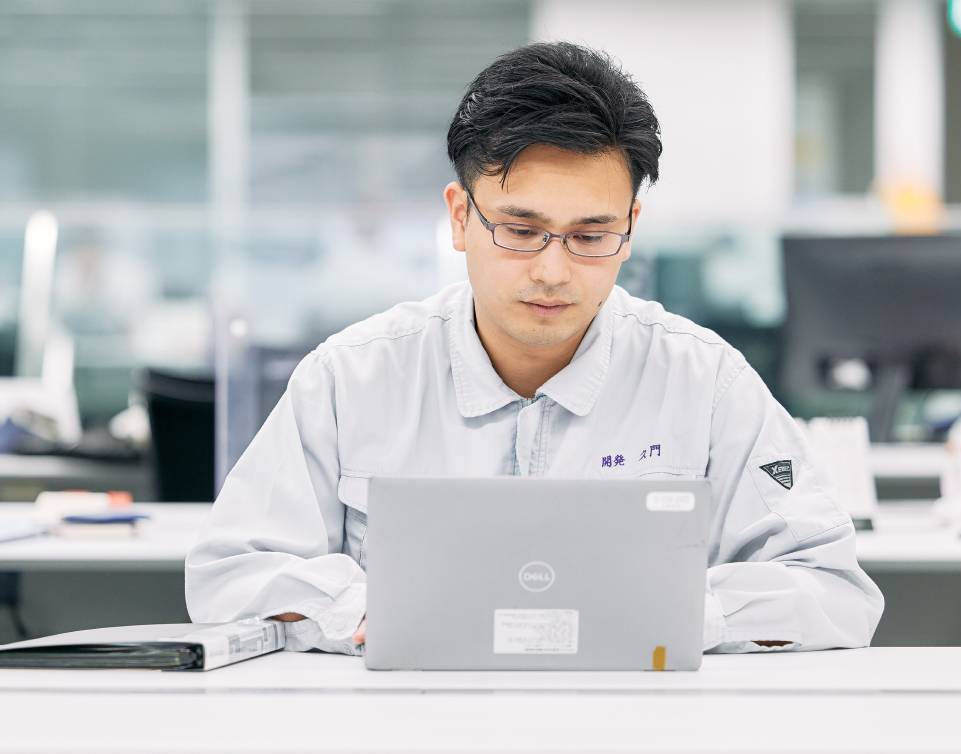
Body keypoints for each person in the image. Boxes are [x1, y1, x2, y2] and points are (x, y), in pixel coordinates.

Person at [186, 42, 883, 655]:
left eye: (590, 236)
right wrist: (365, 610)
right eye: (520, 231)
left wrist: (675, 610)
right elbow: (231, 572)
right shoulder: (353, 377)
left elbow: (833, 590)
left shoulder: (703, 381)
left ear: (631, 228)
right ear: (460, 216)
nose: (553, 271)